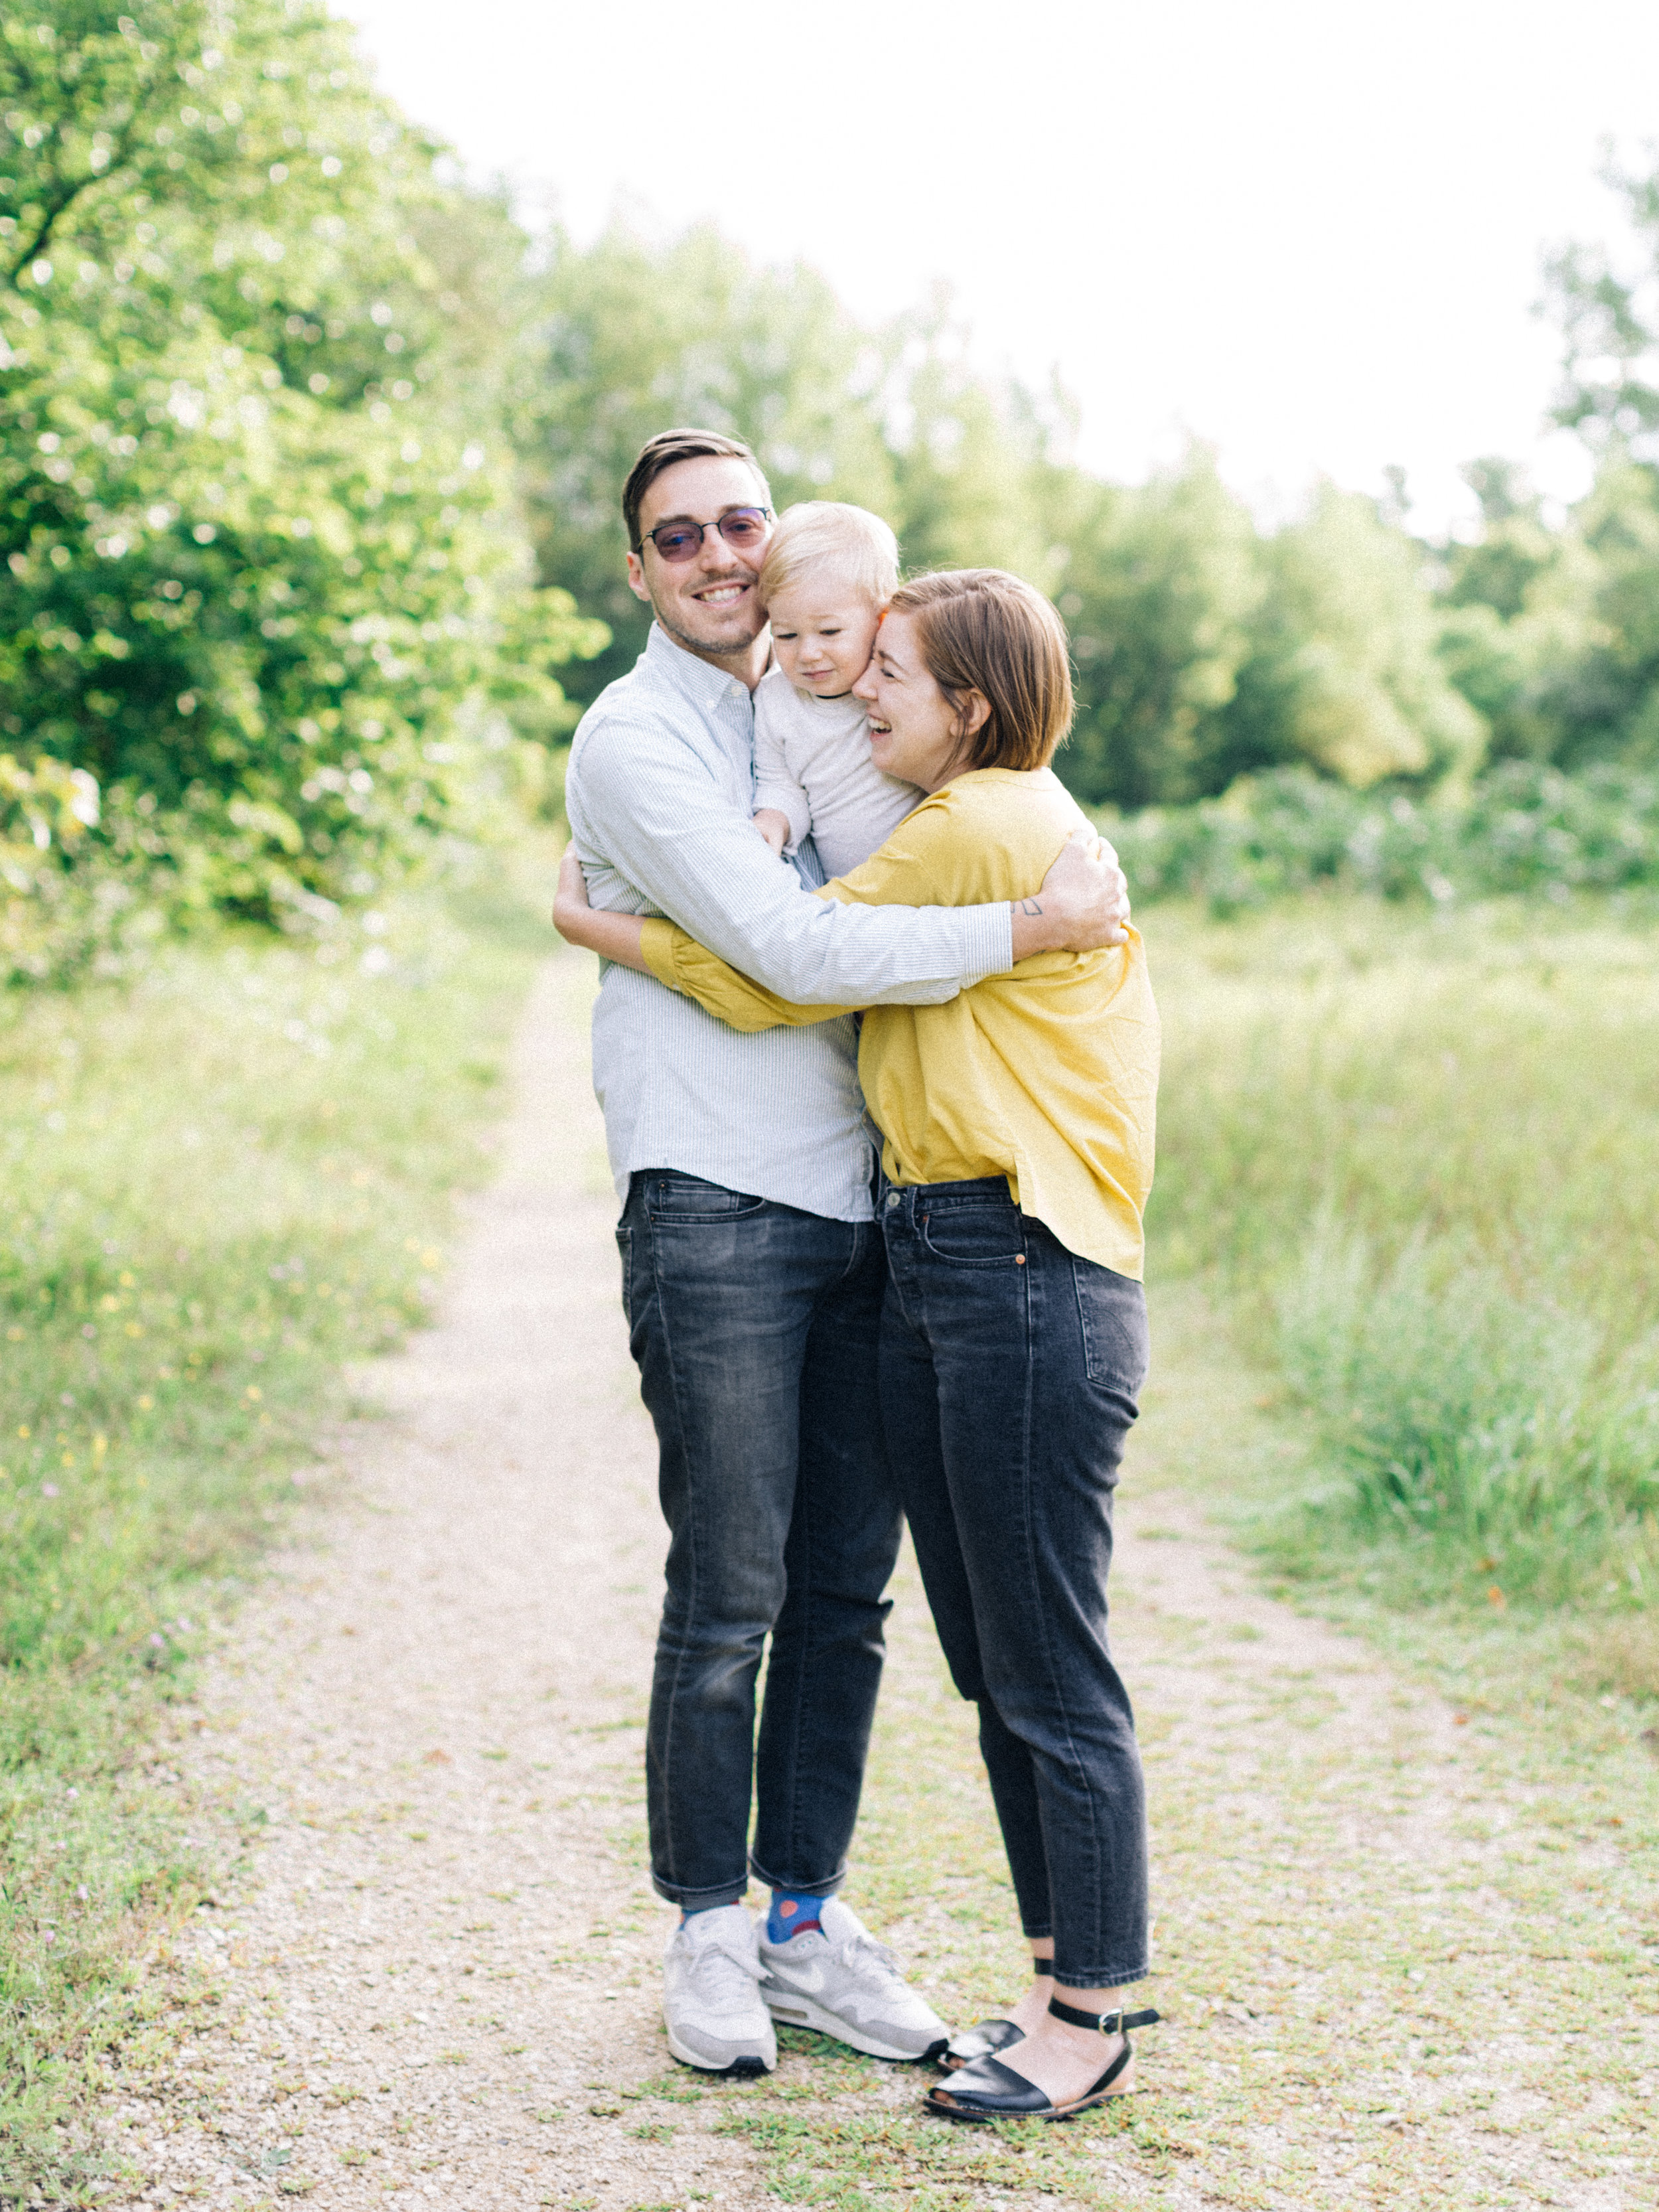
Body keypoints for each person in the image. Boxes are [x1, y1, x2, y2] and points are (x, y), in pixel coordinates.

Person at [559, 429, 1132, 2078]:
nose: (721, 553)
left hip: (873, 1203)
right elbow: (798, 951)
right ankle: (706, 1933)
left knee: (842, 1592)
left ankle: (803, 1917)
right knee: (730, 1585)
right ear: (642, 572)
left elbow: (972, 795)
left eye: (744, 518)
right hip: (720, 1200)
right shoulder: (637, 738)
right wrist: (1027, 930)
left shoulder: (839, 694)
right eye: (682, 537)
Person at [749, 500, 923, 874]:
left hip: (932, 869)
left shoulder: (904, 685)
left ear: (882, 617)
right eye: (786, 634)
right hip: (848, 896)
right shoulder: (774, 701)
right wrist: (774, 822)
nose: (809, 653)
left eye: (830, 631)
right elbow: (784, 786)